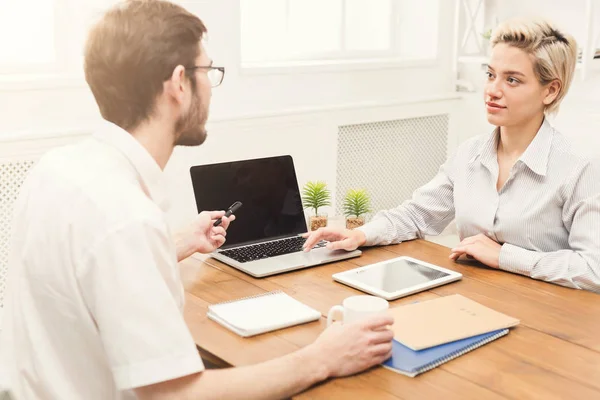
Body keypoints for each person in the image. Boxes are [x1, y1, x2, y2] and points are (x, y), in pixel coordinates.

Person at [0, 1, 394, 399]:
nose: (210, 85)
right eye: (208, 71)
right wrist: (322, 357)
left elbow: (85, 272)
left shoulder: (56, 169)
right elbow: (175, 395)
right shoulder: (126, 216)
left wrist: (177, 243)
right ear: (178, 84)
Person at [304, 18, 600, 293]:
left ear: (550, 91)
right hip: (473, 297)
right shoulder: (470, 154)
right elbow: (418, 215)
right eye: (491, 74)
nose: (492, 90)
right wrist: (362, 234)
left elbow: (593, 269)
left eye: (512, 80)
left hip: (549, 318)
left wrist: (505, 256)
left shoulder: (579, 168)